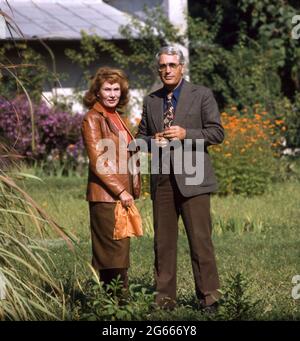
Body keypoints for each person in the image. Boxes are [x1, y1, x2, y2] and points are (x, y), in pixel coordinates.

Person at [136, 46, 224, 310]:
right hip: (162, 180)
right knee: (163, 243)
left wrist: (187, 134)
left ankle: (209, 298)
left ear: (182, 67)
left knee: (200, 241)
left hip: (194, 180)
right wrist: (153, 141)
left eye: (172, 65)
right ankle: (164, 300)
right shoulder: (151, 100)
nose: (167, 70)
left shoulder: (202, 95)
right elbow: (139, 139)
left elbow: (217, 133)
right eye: (163, 66)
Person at [82, 67, 140, 292]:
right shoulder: (92, 119)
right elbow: (98, 161)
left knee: (120, 250)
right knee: (111, 253)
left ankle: (116, 301)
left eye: (116, 89)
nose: (113, 94)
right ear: (97, 92)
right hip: (107, 196)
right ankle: (115, 304)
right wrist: (121, 191)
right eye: (107, 89)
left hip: (120, 195)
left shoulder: (116, 117)